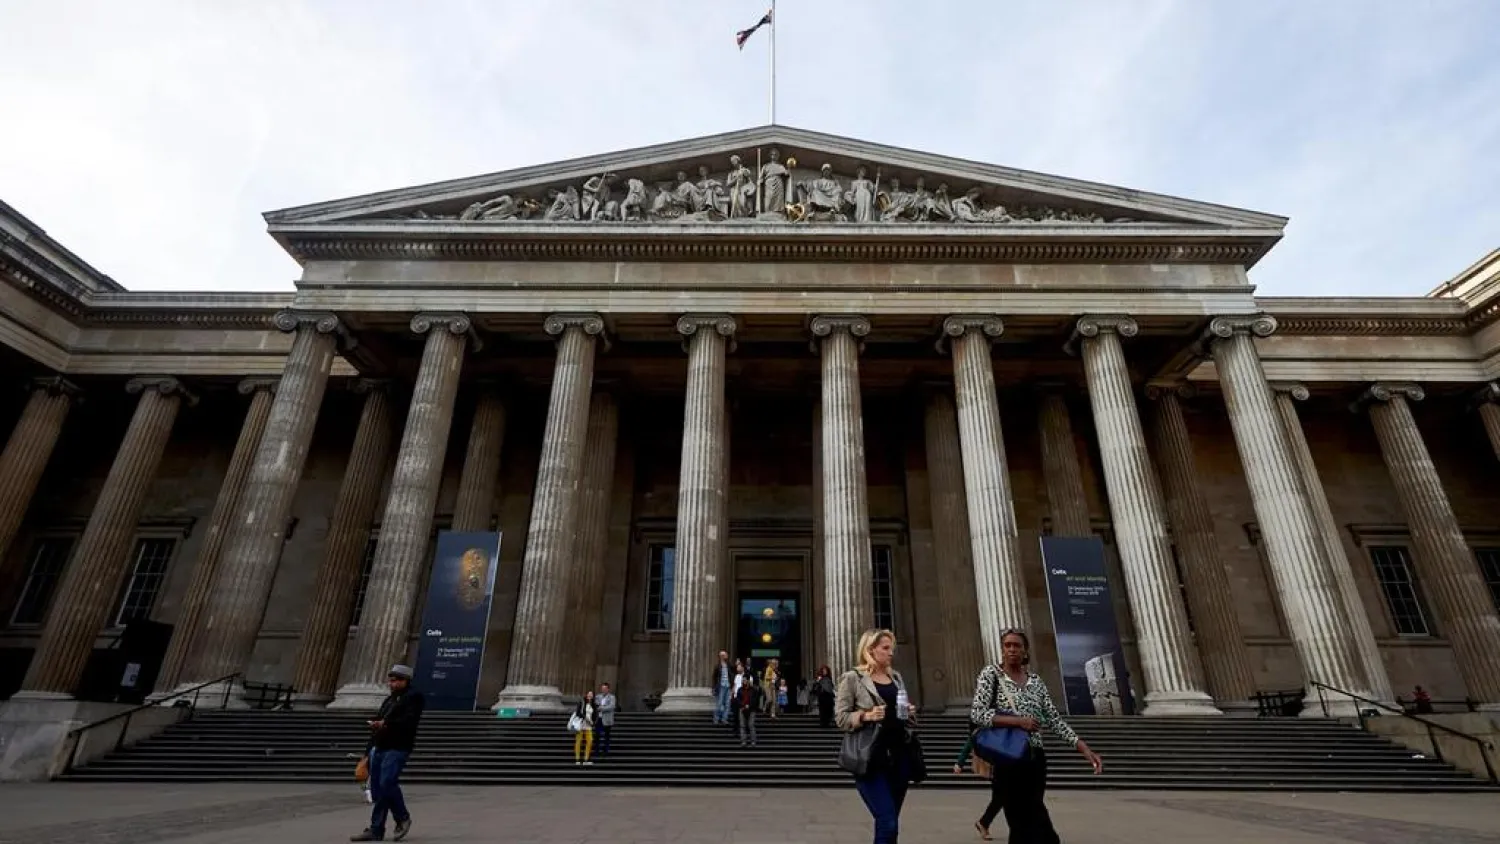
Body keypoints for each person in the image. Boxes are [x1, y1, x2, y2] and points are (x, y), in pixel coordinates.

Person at [970, 628, 1103, 843]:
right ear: (1002, 650)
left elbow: (1054, 719)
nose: (1012, 649)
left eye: (1017, 645)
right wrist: (1018, 721)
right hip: (1008, 757)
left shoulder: (1036, 682)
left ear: (1025, 651)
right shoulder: (991, 675)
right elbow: (977, 714)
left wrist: (1084, 748)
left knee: (1034, 814)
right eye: (1007, 645)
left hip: (1034, 758)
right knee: (1021, 821)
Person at [835, 628, 918, 844]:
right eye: (886, 648)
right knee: (887, 821)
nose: (891, 653)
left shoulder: (896, 677)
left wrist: (909, 712)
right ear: (870, 650)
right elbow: (841, 718)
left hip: (898, 755)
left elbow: (902, 714)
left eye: (893, 648)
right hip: (871, 756)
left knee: (890, 825)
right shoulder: (852, 678)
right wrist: (866, 715)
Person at [351, 664, 424, 842]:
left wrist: (385, 724)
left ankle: (400, 818)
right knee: (378, 790)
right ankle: (378, 828)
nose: (391, 684)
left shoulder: (414, 697)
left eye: (395, 681)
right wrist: (368, 751)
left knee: (386, 783)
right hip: (380, 746)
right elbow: (379, 722)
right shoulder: (390, 700)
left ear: (405, 681)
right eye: (390, 680)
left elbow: (409, 721)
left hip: (398, 747)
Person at [733, 663, 761, 747]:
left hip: (751, 709)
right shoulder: (740, 690)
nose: (744, 681)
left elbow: (755, 700)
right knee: (742, 726)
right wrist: (742, 705)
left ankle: (753, 741)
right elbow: (738, 699)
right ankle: (744, 741)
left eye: (745, 680)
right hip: (742, 709)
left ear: (749, 681)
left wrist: (749, 705)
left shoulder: (754, 690)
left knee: (751, 725)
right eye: (743, 680)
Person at [572, 689, 597, 765]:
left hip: (589, 725)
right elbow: (578, 712)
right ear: (586, 695)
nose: (590, 696)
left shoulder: (593, 704)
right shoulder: (582, 702)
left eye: (591, 695)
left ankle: (586, 759)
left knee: (590, 741)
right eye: (589, 694)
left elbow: (595, 714)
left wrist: (593, 722)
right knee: (578, 741)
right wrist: (585, 717)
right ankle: (577, 759)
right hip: (581, 724)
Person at [712, 650, 734, 724]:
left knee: (727, 704)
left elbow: (732, 675)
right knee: (719, 703)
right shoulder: (717, 666)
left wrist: (732, 685)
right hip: (721, 686)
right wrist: (714, 688)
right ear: (721, 656)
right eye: (725, 655)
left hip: (728, 686)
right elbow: (714, 678)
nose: (726, 656)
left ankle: (724, 719)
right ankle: (716, 718)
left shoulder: (729, 665)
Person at [596, 682, 617, 755]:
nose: (603, 690)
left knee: (607, 735)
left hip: (607, 720)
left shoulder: (612, 697)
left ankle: (605, 750)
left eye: (605, 688)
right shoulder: (598, 696)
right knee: (597, 735)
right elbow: (596, 704)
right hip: (599, 719)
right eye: (602, 688)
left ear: (608, 689)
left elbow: (612, 706)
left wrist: (602, 708)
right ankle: (597, 750)